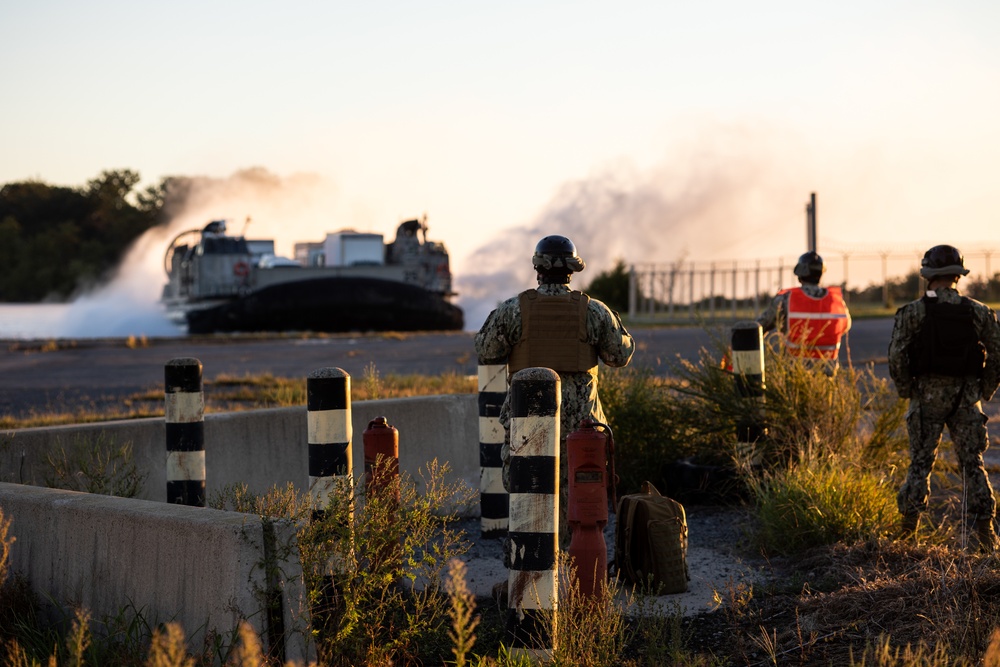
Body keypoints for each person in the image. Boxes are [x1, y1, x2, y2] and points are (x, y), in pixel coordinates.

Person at [474, 234, 635, 496]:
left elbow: (487, 351)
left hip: (527, 420)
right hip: (580, 428)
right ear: (573, 270)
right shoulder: (594, 311)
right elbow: (619, 356)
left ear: (537, 268)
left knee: (527, 495)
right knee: (580, 498)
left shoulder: (513, 310)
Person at [888, 244, 1000, 551]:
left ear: (927, 274)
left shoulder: (913, 312)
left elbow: (896, 355)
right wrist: (984, 390)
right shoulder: (979, 311)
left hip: (926, 399)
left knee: (920, 465)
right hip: (967, 399)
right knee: (973, 464)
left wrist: (907, 390)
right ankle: (987, 538)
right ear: (958, 275)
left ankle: (908, 534)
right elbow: (997, 354)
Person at [756, 251, 852, 362]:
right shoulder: (836, 300)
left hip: (795, 373)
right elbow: (845, 327)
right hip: (828, 374)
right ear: (821, 273)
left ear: (800, 273)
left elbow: (759, 327)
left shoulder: (786, 299)